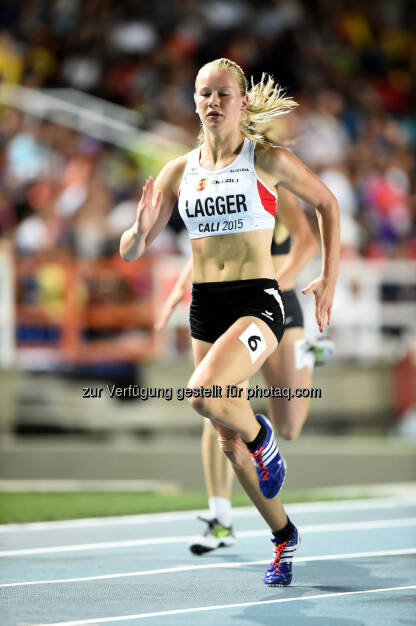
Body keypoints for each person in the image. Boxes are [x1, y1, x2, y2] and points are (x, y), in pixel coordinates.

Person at [120, 58, 340, 586]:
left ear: (242, 102)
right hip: (206, 305)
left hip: (257, 301)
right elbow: (130, 251)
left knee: (202, 393)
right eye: (203, 94)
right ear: (194, 102)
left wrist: (329, 280)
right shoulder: (179, 170)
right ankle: (284, 537)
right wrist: (139, 229)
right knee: (225, 441)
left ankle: (264, 436)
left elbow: (327, 206)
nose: (212, 102)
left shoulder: (266, 159)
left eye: (222, 93)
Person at [156, 190, 335, 555]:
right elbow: (211, 247)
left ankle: (308, 355)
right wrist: (180, 287)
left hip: (274, 299)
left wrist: (273, 284)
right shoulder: (219, 185)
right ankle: (221, 517)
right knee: (215, 401)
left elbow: (305, 244)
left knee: (289, 426)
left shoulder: (270, 180)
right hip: (229, 304)